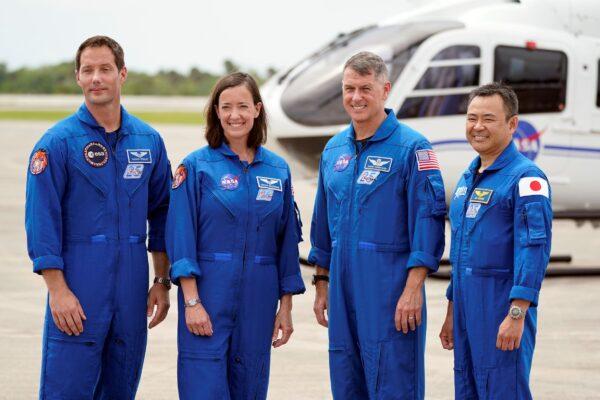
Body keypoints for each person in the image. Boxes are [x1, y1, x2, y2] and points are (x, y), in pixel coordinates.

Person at [24, 35, 172, 399]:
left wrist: (162, 280)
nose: (96, 78)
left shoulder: (147, 140)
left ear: (122, 74)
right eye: (88, 70)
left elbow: (164, 213)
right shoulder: (56, 143)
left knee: (121, 388)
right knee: (67, 388)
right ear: (77, 77)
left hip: (132, 288)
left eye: (105, 69)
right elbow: (41, 221)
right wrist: (58, 291)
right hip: (79, 284)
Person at [309, 51, 446, 399]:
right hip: (341, 287)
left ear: (385, 90)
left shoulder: (412, 148)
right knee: (346, 376)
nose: (356, 97)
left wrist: (414, 288)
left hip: (390, 290)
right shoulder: (333, 150)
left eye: (365, 88)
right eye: (349, 88)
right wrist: (322, 282)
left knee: (393, 378)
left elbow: (428, 221)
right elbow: (322, 224)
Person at [166, 72, 305, 400]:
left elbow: (286, 244)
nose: (234, 115)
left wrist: (285, 307)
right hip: (209, 295)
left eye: (243, 106)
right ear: (216, 111)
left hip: (259, 298)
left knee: (250, 386)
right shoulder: (196, 167)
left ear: (257, 109)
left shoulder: (277, 170)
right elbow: (181, 238)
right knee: (203, 386)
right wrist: (192, 301)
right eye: (226, 106)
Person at [439, 83, 552, 399]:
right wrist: (452, 311)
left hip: (501, 309)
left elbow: (534, 248)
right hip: (465, 310)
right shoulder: (467, 179)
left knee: (504, 391)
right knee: (468, 389)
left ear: (512, 124)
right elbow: (460, 251)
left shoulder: (526, 179)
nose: (477, 127)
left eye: (488, 119)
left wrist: (517, 313)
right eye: (471, 118)